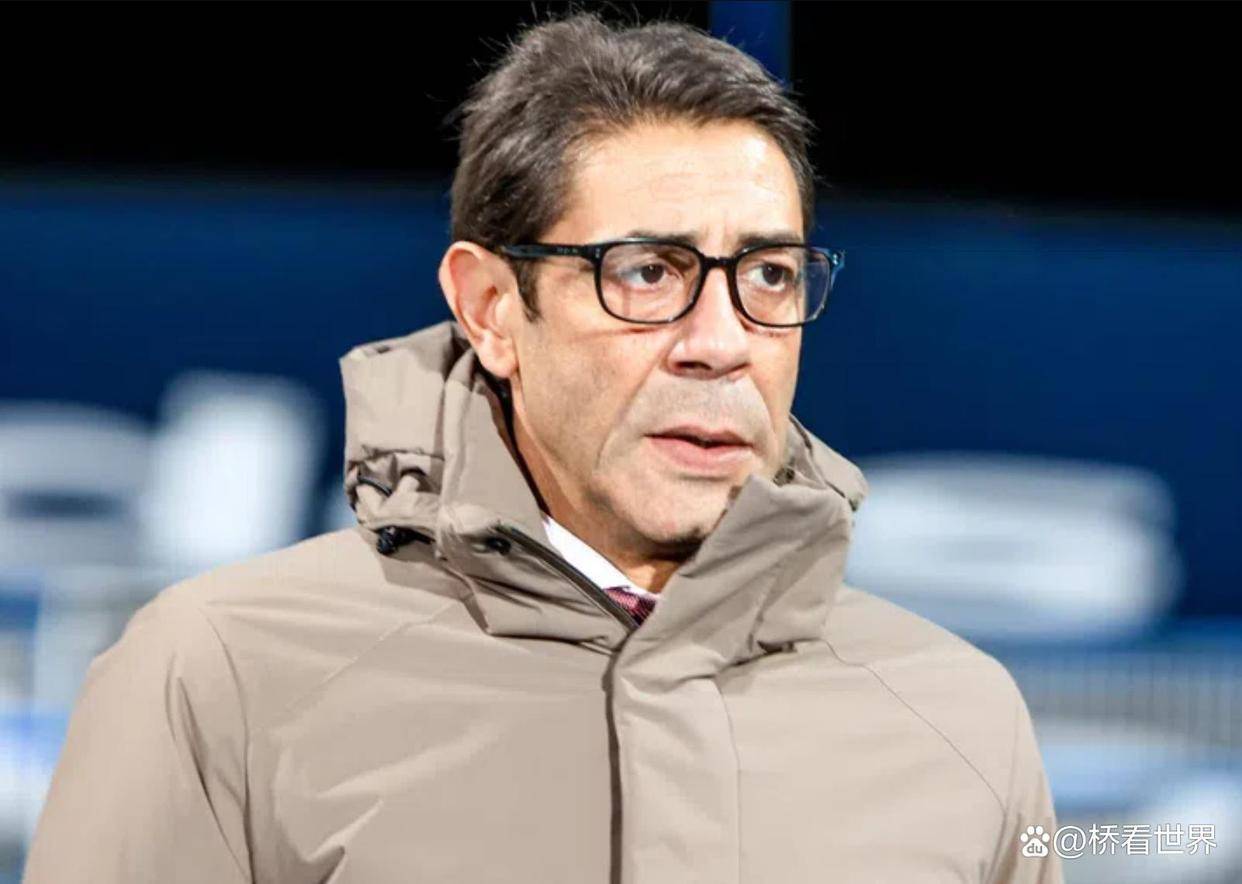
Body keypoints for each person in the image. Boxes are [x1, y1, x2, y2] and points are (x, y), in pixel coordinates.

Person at [23, 11, 1063, 884]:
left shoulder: (963, 719)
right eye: (647, 272)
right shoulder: (219, 676)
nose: (721, 343)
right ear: (489, 308)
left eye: (769, 276)